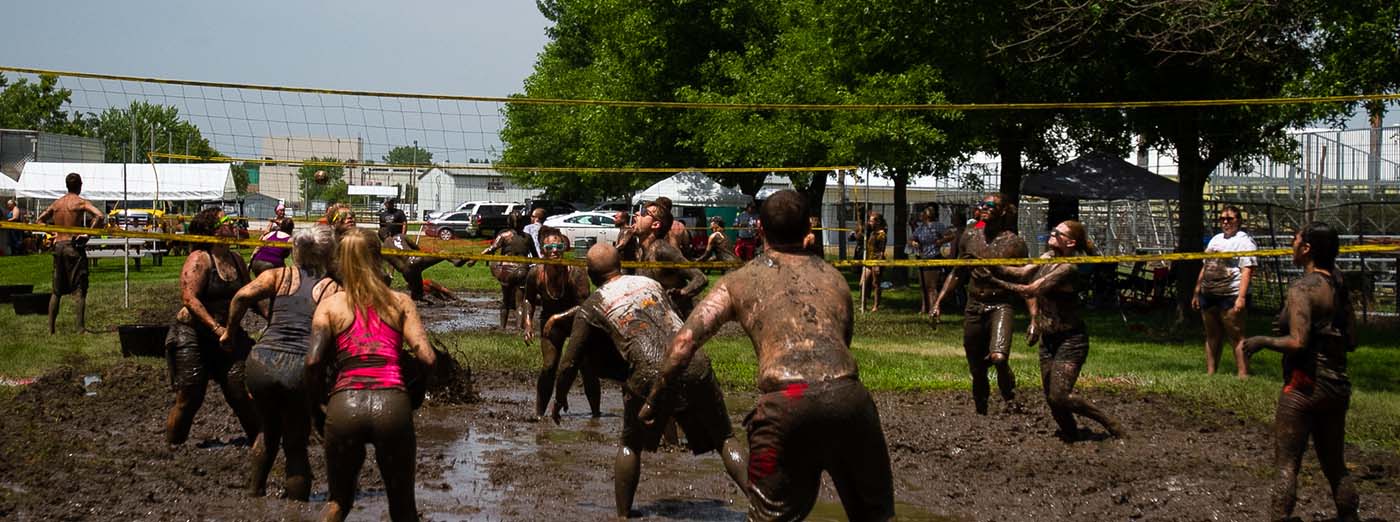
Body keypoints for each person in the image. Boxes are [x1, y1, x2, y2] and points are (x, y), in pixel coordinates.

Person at [642, 190, 893, 521]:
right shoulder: (834, 280)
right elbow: (841, 342)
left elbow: (683, 344)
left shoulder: (739, 281)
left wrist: (655, 398)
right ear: (808, 233)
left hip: (788, 400)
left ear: (759, 230)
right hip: (850, 398)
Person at [546, 243, 747, 519]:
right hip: (693, 362)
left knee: (630, 445)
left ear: (591, 275)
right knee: (726, 437)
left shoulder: (593, 305)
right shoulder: (650, 283)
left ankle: (623, 515)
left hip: (648, 372)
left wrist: (559, 398)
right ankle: (765, 507)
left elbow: (570, 362)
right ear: (620, 264)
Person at [306, 228, 436, 522]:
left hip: (344, 405)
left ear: (341, 261)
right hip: (392, 403)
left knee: (338, 502)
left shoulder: (329, 306)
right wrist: (415, 393)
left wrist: (316, 408)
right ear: (379, 258)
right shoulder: (400, 302)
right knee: (403, 508)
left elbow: (313, 362)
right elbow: (427, 357)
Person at [1240, 222, 1358, 522]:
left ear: (1306, 249)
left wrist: (1261, 341)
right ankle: (1349, 516)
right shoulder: (1339, 284)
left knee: (1286, 464)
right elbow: (1353, 341)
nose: (1291, 244)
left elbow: (1297, 341)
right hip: (1337, 385)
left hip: (1304, 386)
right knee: (1335, 464)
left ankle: (1279, 518)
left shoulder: (1302, 288)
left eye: (1295, 239)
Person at [980, 220, 1127, 441]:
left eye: (1058, 233)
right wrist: (989, 264)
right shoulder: (1048, 257)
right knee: (1052, 399)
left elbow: (1031, 289)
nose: (1053, 233)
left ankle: (1110, 423)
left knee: (1060, 395)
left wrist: (993, 281)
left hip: (1071, 340)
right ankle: (1071, 435)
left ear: (1070, 242)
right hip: (1049, 339)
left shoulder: (1068, 268)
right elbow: (1021, 273)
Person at [224, 224, 340, 500]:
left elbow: (241, 296)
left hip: (261, 362)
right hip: (298, 366)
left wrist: (230, 331)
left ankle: (255, 494)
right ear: (329, 253)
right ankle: (296, 509)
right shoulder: (332, 289)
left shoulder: (278, 275)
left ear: (296, 250)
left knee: (267, 430)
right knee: (296, 443)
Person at [163, 208, 260, 445]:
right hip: (192, 335)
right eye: (226, 221)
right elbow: (189, 298)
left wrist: (277, 316)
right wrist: (217, 329)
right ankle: (173, 446)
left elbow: (251, 295)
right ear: (213, 229)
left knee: (240, 390)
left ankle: (260, 442)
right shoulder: (199, 259)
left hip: (226, 335)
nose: (233, 224)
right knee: (190, 395)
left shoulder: (236, 259)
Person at [932, 193, 1029, 414]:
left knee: (998, 357)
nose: (984, 208)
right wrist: (938, 302)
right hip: (974, 305)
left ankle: (1008, 394)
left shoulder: (1015, 243)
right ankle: (981, 411)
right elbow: (957, 273)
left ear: (1003, 211)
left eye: (990, 205)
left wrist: (1034, 317)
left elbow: (1025, 281)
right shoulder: (970, 236)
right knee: (976, 367)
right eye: (982, 205)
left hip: (1001, 305)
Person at [523, 227, 601, 418]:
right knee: (549, 367)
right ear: (543, 250)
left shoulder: (576, 272)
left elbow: (585, 306)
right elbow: (528, 300)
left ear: (565, 248)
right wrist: (527, 323)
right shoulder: (535, 273)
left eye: (559, 246)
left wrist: (557, 317)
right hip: (552, 324)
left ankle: (596, 414)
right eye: (550, 247)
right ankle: (539, 414)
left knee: (586, 367)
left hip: (579, 322)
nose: (555, 250)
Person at [35, 174, 106, 335]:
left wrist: (53, 233)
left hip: (58, 246)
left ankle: (51, 330)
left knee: (57, 291)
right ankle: (80, 328)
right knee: (80, 288)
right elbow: (100, 216)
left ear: (67, 185)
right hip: (73, 247)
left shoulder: (57, 203)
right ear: (80, 185)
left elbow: (39, 220)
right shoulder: (80, 202)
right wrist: (87, 233)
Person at [1194, 205, 1257, 379]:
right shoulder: (1215, 239)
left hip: (1232, 293)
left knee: (1236, 335)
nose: (1226, 222)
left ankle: (1243, 374)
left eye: (1230, 218)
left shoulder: (1245, 241)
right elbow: (1205, 265)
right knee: (1212, 335)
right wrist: (1196, 291)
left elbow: (1247, 270)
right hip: (1209, 293)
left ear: (1239, 220)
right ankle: (1211, 373)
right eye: (1222, 219)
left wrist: (1241, 298)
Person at [634, 200, 707, 319]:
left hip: (677, 321)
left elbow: (700, 278)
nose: (637, 214)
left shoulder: (662, 250)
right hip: (655, 318)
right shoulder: (639, 250)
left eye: (644, 213)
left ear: (655, 225)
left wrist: (682, 293)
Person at [468, 213, 534, 328]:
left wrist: (475, 259)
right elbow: (535, 256)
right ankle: (518, 328)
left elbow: (491, 249)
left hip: (506, 271)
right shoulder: (528, 237)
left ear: (508, 222)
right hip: (523, 270)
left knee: (505, 301)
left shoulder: (504, 236)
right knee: (519, 303)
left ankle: (502, 328)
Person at [910, 206, 950, 317]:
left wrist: (941, 241)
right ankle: (924, 308)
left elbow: (950, 235)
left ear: (928, 215)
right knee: (923, 285)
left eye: (923, 213)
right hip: (922, 257)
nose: (920, 215)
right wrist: (913, 242)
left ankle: (934, 309)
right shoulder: (921, 227)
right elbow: (911, 238)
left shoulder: (938, 226)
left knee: (931, 286)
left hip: (933, 257)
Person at [858, 212, 888, 313]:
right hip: (868, 260)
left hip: (876, 261)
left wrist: (878, 264)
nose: (869, 222)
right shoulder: (870, 232)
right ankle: (863, 305)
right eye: (869, 220)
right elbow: (860, 234)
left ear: (878, 222)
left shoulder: (881, 234)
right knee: (862, 283)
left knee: (876, 284)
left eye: (871, 220)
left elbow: (881, 251)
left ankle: (876, 306)